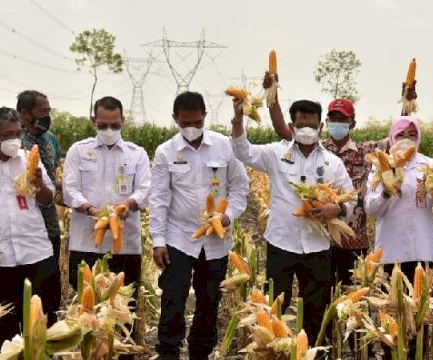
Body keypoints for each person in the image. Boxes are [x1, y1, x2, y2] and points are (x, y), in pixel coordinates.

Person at [231, 98, 355, 346]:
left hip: (318, 247)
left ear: (320, 127)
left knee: (316, 311)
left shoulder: (333, 162)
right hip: (281, 244)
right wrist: (238, 119)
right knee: (274, 308)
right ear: (292, 125)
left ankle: (316, 352)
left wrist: (336, 207)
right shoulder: (276, 154)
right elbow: (243, 151)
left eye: (311, 125)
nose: (306, 130)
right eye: (301, 125)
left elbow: (350, 200)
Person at [150, 91, 249, 360]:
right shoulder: (165, 152)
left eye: (196, 122)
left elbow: (240, 187)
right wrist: (158, 241)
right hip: (179, 236)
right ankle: (168, 351)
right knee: (173, 297)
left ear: (205, 116)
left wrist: (227, 216)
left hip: (216, 239)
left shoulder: (224, 146)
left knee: (209, 300)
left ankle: (200, 352)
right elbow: (159, 198)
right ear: (175, 120)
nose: (191, 128)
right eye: (185, 123)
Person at [262, 74, 371, 287]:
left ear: (352, 123)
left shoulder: (365, 151)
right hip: (320, 237)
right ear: (326, 123)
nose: (338, 123)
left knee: (345, 298)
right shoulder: (311, 146)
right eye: (334, 119)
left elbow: (399, 141)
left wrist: (337, 208)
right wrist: (272, 96)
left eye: (343, 119)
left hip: (353, 238)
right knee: (319, 297)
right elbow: (283, 129)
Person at [0, 107, 58, 352]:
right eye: (7, 135)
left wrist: (39, 184)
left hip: (36, 254)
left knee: (44, 330)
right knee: (3, 337)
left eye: (18, 133)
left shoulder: (29, 159)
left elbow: (48, 200)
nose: (14, 140)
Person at [365, 116, 433, 360]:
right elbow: (371, 209)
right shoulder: (380, 167)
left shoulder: (430, 165)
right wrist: (386, 188)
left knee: (419, 317)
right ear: (392, 137)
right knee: (391, 316)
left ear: (419, 138)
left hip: (422, 252)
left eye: (411, 135)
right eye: (401, 135)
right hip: (389, 253)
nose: (406, 140)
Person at [63, 96, 150, 292]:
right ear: (93, 121)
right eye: (103, 126)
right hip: (86, 243)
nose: (109, 131)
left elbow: (145, 189)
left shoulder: (137, 154)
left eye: (115, 125)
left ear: (123, 122)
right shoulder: (78, 151)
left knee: (124, 305)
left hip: (125, 245)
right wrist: (91, 210)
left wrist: (128, 205)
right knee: (85, 310)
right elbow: (70, 189)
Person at [16, 90, 62, 324]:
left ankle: (49, 338)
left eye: (48, 111)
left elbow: (54, 175)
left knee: (50, 291)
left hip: (50, 224)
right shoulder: (14, 144)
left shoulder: (51, 139)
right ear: (24, 113)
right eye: (43, 111)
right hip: (24, 228)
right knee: (26, 295)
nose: (47, 116)